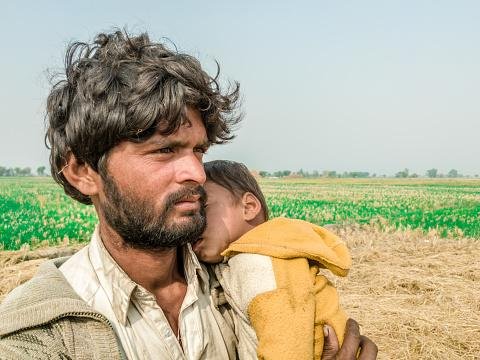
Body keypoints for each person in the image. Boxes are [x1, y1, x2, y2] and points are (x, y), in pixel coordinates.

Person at [0, 30, 377, 360]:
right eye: (165, 150)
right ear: (83, 171)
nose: (197, 173)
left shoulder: (243, 274)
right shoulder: (38, 334)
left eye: (198, 150)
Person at [193, 160, 352, 359]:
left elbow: (287, 347)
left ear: (249, 207)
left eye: (203, 208)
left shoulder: (257, 263)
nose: (193, 221)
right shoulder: (268, 254)